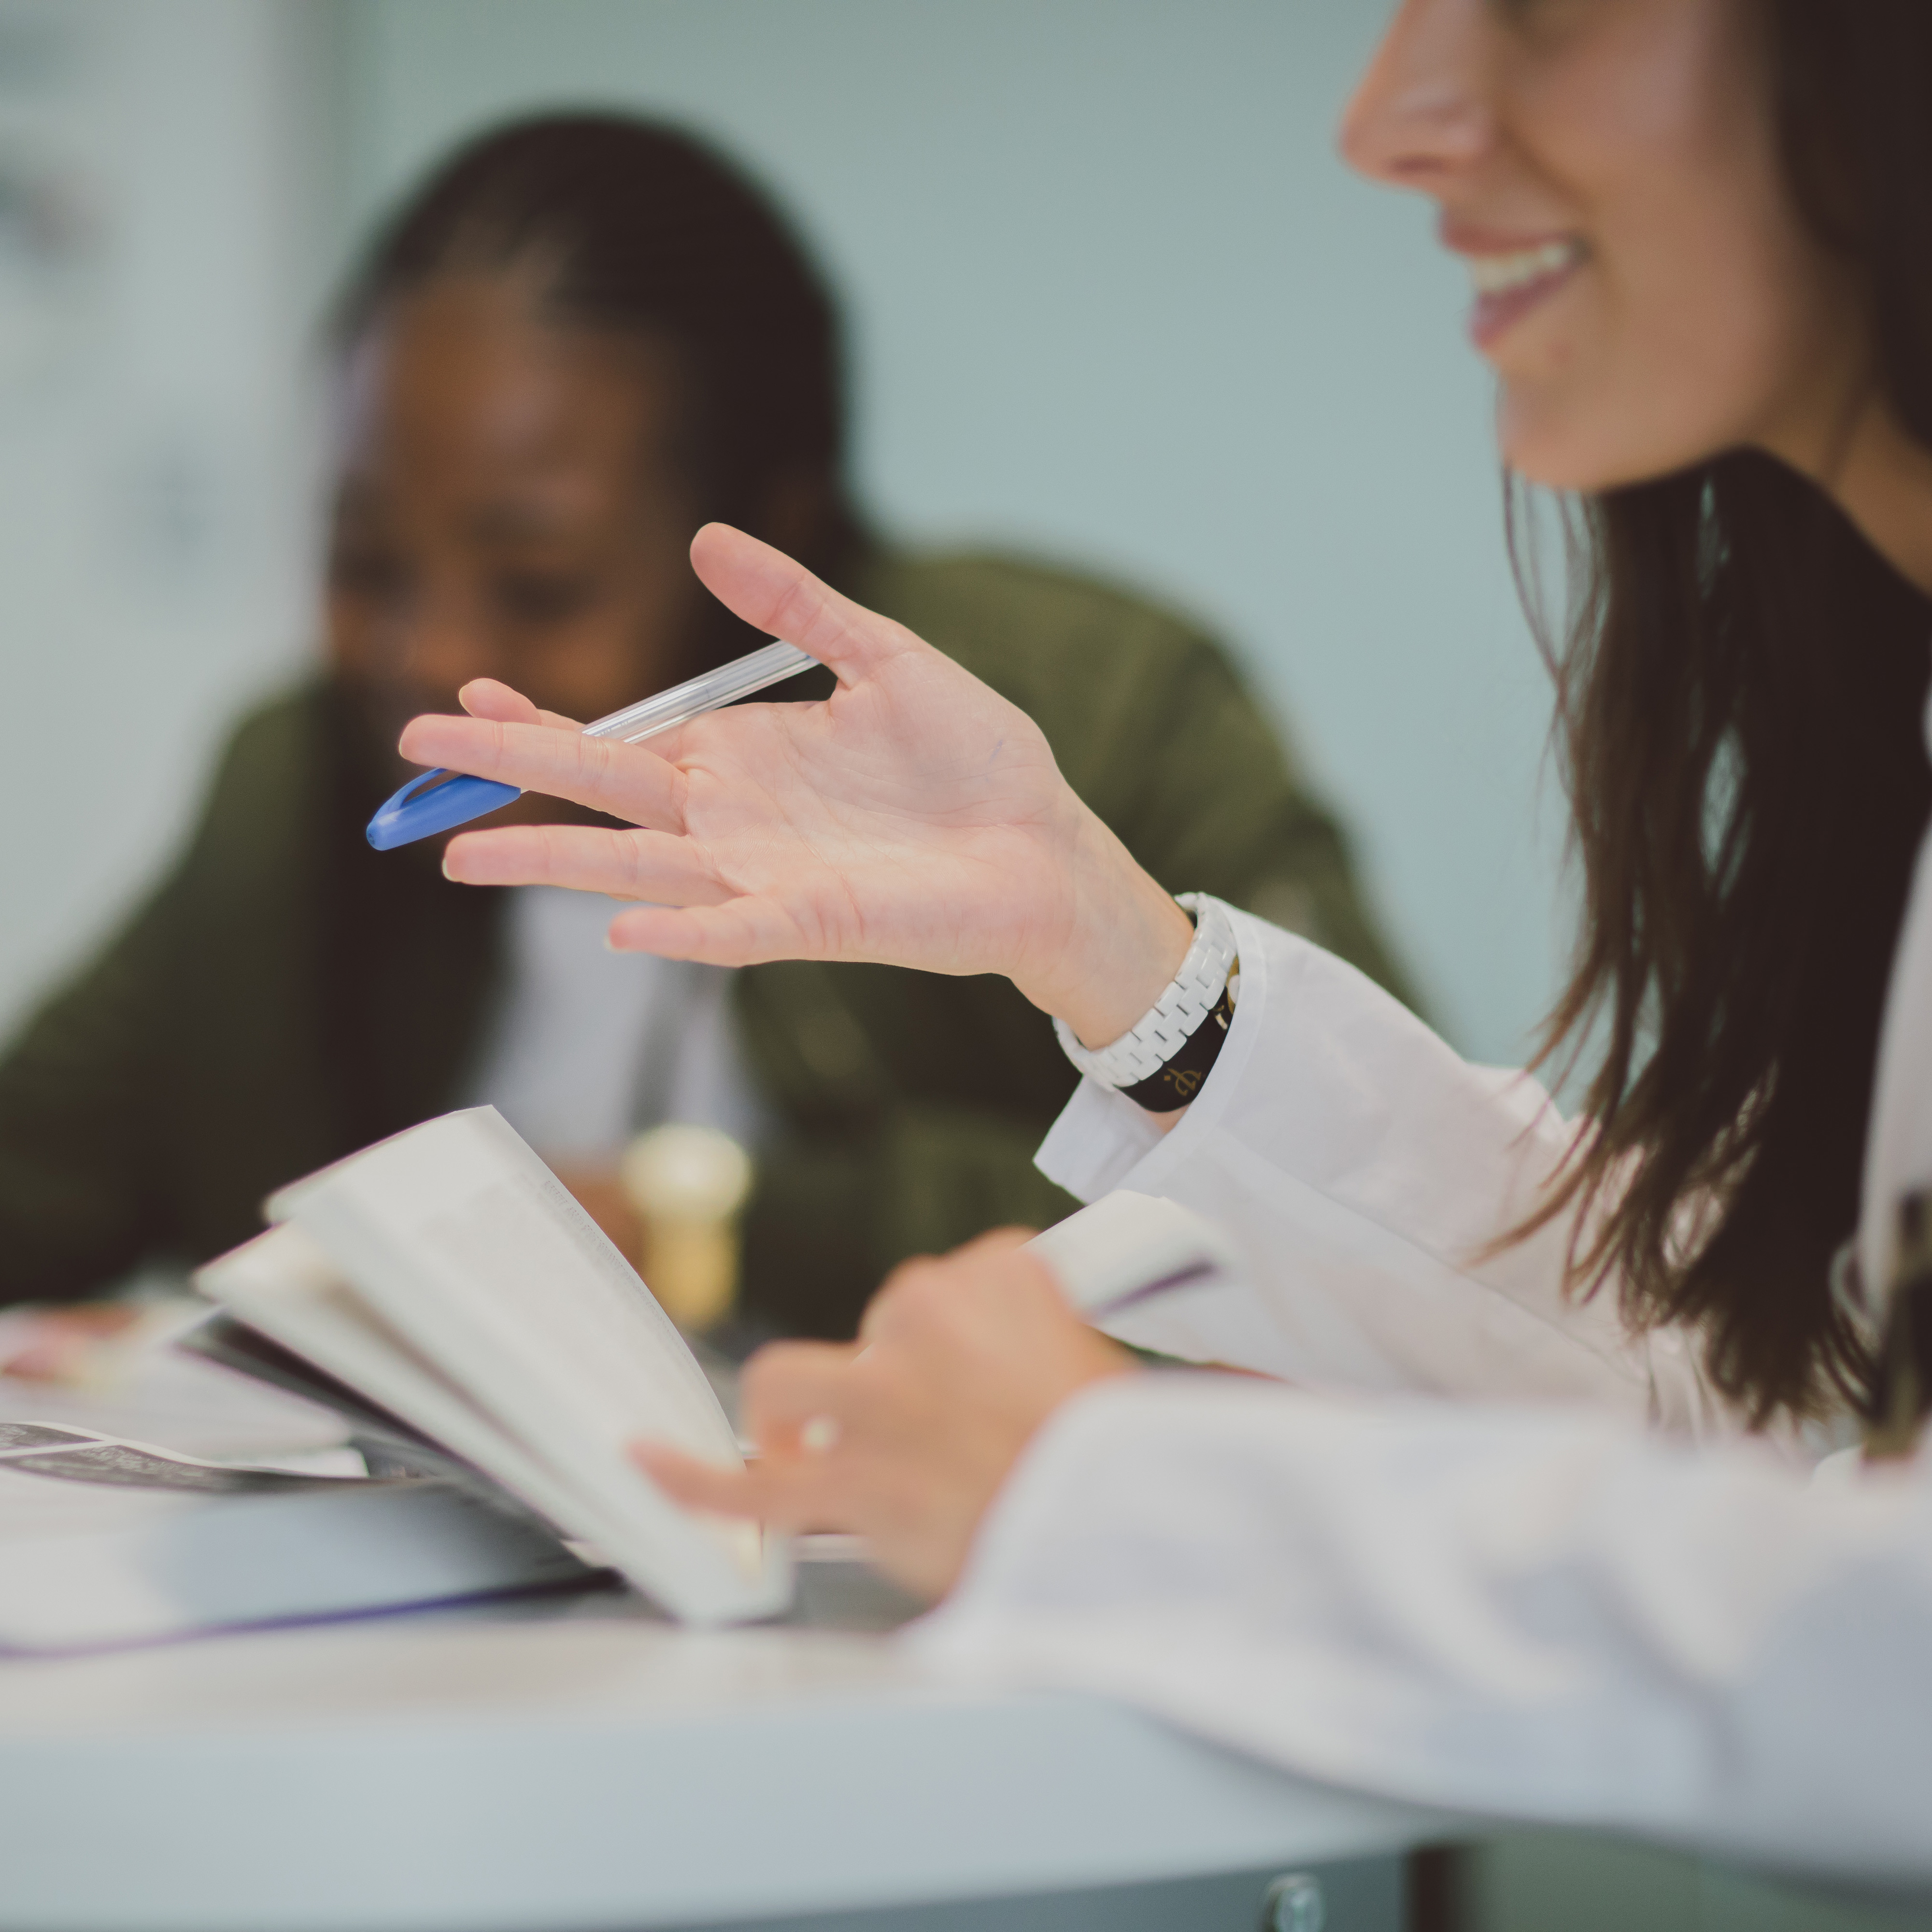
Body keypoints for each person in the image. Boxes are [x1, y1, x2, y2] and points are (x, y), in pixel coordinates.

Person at [402, 0, 1932, 1883]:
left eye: (1542, 9)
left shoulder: (1108, 669)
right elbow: (1776, 1380)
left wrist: (1117, 1500)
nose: (1385, 119)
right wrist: (1127, 959)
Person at [0, 114, 1410, 1351]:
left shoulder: (1091, 704)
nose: (420, 655)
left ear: (764, 534)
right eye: (363, 561)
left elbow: (1360, 1209)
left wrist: (706, 1227)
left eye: (538, 584)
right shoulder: (299, 777)